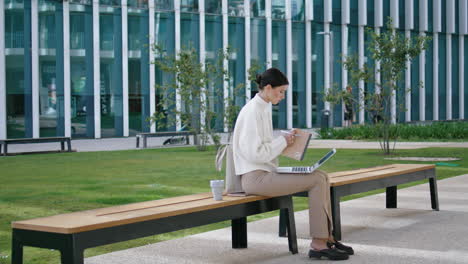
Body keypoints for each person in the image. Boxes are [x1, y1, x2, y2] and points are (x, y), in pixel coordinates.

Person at [232, 68, 354, 261]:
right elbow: (254, 153)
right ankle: (319, 244)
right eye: (281, 92)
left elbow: (262, 143)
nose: (282, 96)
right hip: (254, 179)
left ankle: (327, 238)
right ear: (268, 88)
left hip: (264, 173)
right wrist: (283, 142)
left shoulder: (262, 107)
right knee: (316, 180)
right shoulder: (252, 111)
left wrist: (285, 138)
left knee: (321, 176)